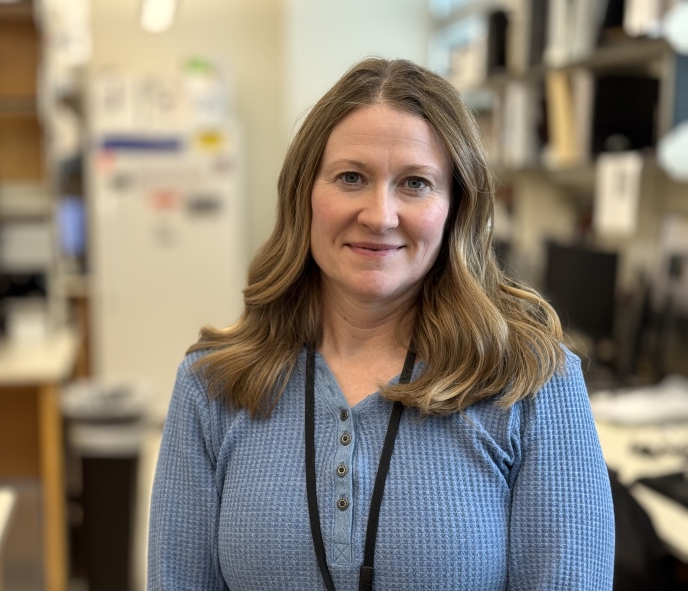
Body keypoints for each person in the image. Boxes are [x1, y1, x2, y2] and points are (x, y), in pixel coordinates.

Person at [147, 57, 615, 590]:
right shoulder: (213, 385)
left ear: (455, 208)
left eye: (415, 183)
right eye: (351, 177)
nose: (380, 215)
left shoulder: (532, 383)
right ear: (305, 195)